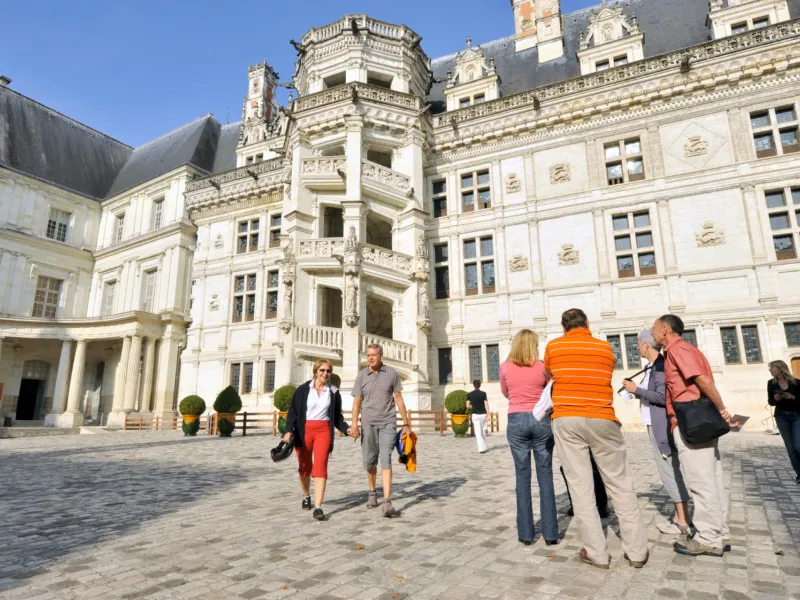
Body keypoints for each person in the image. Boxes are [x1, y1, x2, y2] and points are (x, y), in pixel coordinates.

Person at [545, 309, 649, 569]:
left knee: (580, 488)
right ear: (587, 324)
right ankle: (636, 551)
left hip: (567, 417)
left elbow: (549, 374)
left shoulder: (554, 347)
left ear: (563, 326)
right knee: (620, 485)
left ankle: (597, 554)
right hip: (602, 417)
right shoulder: (604, 348)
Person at [653, 314, 736, 557]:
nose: (653, 333)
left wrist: (722, 409)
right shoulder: (687, 348)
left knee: (701, 481)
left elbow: (702, 380)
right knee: (711, 478)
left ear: (666, 330)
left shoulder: (677, 350)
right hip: (698, 420)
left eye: (655, 329)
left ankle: (708, 537)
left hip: (692, 421)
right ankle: (719, 532)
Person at [622, 328, 691, 535]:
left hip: (660, 425)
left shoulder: (660, 366)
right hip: (653, 422)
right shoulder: (651, 367)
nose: (636, 347)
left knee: (669, 470)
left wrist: (637, 390)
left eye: (637, 343)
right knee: (668, 470)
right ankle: (681, 516)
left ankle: (683, 521)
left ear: (646, 344)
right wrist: (637, 393)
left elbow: (662, 397)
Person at [500, 329, 558, 546]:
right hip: (541, 419)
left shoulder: (505, 366)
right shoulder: (543, 367)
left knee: (522, 477)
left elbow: (506, 392)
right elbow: (549, 391)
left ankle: (526, 533)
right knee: (545, 476)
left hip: (516, 419)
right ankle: (550, 533)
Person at [283, 360, 353, 521]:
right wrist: (288, 431)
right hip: (304, 430)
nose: (325, 374)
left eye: (328, 371)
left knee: (321, 467)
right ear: (315, 371)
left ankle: (318, 506)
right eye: (322, 370)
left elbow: (337, 417)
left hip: (323, 431)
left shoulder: (334, 392)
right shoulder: (302, 390)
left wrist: (346, 429)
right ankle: (306, 495)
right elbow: (293, 412)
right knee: (304, 467)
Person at [351, 344, 413, 517]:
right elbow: (356, 402)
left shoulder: (391, 373)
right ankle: (372, 492)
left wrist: (406, 423)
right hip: (368, 424)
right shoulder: (362, 376)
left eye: (374, 355)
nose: (370, 358)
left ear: (381, 356)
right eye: (368, 355)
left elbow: (398, 399)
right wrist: (354, 425)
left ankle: (387, 501)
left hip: (388, 423)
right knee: (370, 462)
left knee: (386, 459)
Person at [767, 360, 800, 484]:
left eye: (772, 368)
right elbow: (770, 402)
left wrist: (793, 397)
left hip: (797, 416)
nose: (770, 371)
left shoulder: (796, 382)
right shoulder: (771, 383)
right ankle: (799, 474)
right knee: (790, 448)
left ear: (780, 368)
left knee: (798, 445)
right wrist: (775, 399)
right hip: (781, 417)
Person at [466, 379, 489, 454]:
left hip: (475, 414)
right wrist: (488, 414)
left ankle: (481, 448)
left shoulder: (470, 394)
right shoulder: (483, 394)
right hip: (483, 414)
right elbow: (486, 404)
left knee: (478, 432)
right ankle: (483, 446)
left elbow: (467, 405)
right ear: (480, 385)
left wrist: (472, 407)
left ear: (473, 385)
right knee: (483, 430)